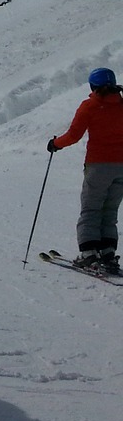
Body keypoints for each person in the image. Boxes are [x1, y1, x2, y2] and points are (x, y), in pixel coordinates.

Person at [47, 67, 123, 274]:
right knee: (109, 211)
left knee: (91, 209)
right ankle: (107, 253)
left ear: (93, 86)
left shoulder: (90, 106)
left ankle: (89, 254)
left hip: (98, 166)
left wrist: (55, 143)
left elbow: (73, 135)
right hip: (121, 167)